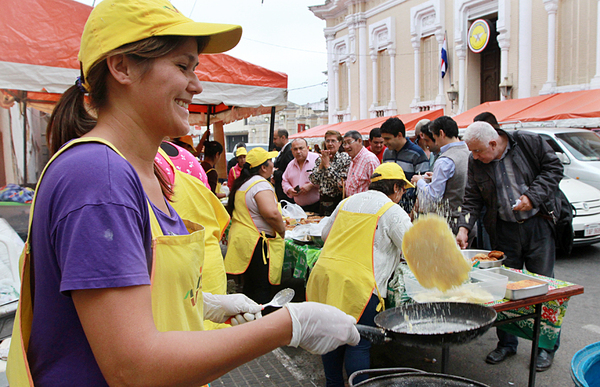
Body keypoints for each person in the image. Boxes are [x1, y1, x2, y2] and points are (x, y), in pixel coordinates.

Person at [6, 1, 360, 385]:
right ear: (122, 66)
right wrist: (289, 325)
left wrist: (204, 304)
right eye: (182, 66)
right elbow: (134, 367)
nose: (197, 85)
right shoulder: (99, 177)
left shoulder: (147, 172)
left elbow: (132, 292)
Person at [456, 121, 563, 372]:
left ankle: (545, 347)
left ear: (493, 143)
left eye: (478, 151)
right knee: (503, 288)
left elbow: (554, 169)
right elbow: (471, 197)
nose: (474, 157)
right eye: (472, 151)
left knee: (542, 287)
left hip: (538, 226)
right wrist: (464, 227)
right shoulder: (477, 161)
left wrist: (532, 197)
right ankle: (507, 343)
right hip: (503, 230)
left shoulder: (528, 142)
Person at [307, 162, 414, 386]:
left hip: (325, 278)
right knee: (359, 341)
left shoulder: (347, 202)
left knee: (332, 337)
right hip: (359, 285)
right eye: (402, 189)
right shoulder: (392, 211)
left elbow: (326, 235)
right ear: (395, 187)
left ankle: (333, 384)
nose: (402, 194)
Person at [224, 148, 287, 304]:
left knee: (249, 286)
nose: (273, 165)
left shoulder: (244, 183)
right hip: (256, 242)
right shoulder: (260, 185)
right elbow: (271, 213)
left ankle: (248, 321)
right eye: (270, 162)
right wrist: (282, 230)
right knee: (261, 289)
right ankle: (262, 323)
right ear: (263, 167)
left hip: (244, 240)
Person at [411, 116, 469, 233]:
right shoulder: (468, 151)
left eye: (435, 137)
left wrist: (419, 181)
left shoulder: (444, 160)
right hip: (467, 221)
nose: (435, 142)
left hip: (449, 223)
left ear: (441, 133)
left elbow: (434, 196)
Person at [380, 117, 429, 212]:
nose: (385, 143)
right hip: (388, 207)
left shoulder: (417, 154)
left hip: (408, 209)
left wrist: (413, 212)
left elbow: (423, 187)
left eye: (387, 139)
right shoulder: (387, 153)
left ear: (399, 135)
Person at [309, 130, 352, 215]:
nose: (330, 144)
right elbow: (313, 180)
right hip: (322, 201)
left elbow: (340, 183)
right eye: (327, 141)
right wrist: (321, 165)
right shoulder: (320, 159)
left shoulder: (344, 158)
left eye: (333, 141)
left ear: (340, 143)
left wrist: (327, 166)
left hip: (338, 200)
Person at [282, 138, 320, 213]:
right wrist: (289, 189)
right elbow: (284, 181)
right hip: (299, 208)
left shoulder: (317, 159)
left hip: (317, 205)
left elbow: (325, 177)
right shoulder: (291, 165)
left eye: (301, 148)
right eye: (295, 149)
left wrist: (311, 185)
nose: (298, 152)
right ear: (292, 151)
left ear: (307, 148)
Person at [343, 130, 380, 197]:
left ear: (359, 141)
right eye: (344, 143)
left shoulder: (370, 160)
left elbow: (377, 189)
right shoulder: (354, 159)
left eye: (349, 142)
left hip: (364, 205)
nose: (346, 146)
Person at [273, 129, 295, 203]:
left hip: (286, 194)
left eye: (275, 139)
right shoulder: (285, 151)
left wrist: (274, 172)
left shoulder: (288, 152)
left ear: (283, 137)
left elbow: (288, 174)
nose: (274, 141)